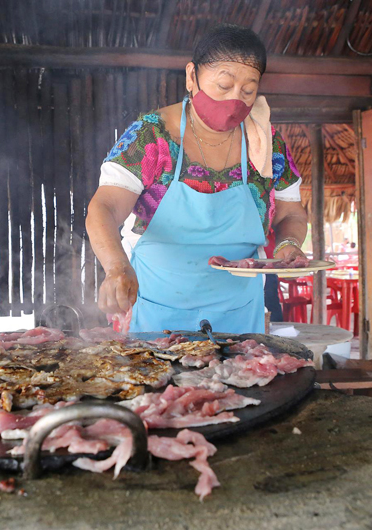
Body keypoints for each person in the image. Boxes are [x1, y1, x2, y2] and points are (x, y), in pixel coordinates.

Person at [86, 24, 308, 334]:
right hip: (157, 309)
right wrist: (116, 268)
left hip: (239, 312)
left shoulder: (266, 143)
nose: (235, 101)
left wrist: (288, 243)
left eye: (248, 91)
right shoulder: (153, 136)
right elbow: (104, 207)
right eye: (223, 85)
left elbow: (291, 212)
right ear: (192, 76)